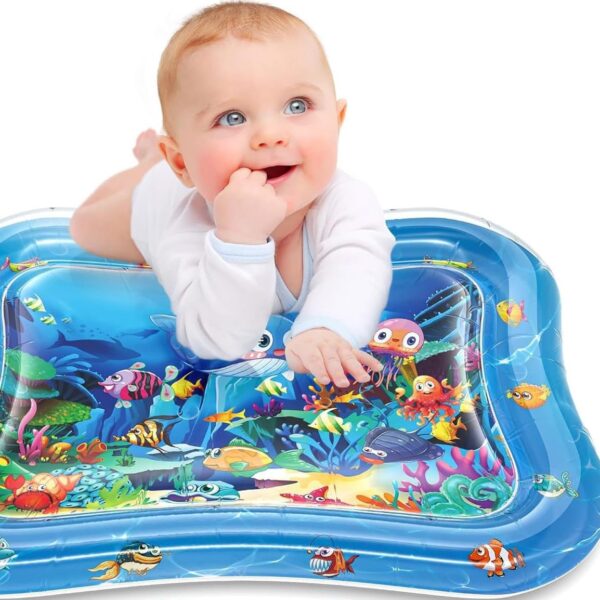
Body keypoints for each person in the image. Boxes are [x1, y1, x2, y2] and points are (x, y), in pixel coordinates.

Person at [70, 1, 395, 389]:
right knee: (85, 227)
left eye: (297, 106)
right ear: (182, 162)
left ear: (337, 122)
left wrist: (325, 328)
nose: (270, 135)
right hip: (153, 199)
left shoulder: (346, 200)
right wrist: (238, 242)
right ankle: (148, 165)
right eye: (232, 118)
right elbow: (217, 339)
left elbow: (359, 265)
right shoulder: (185, 227)